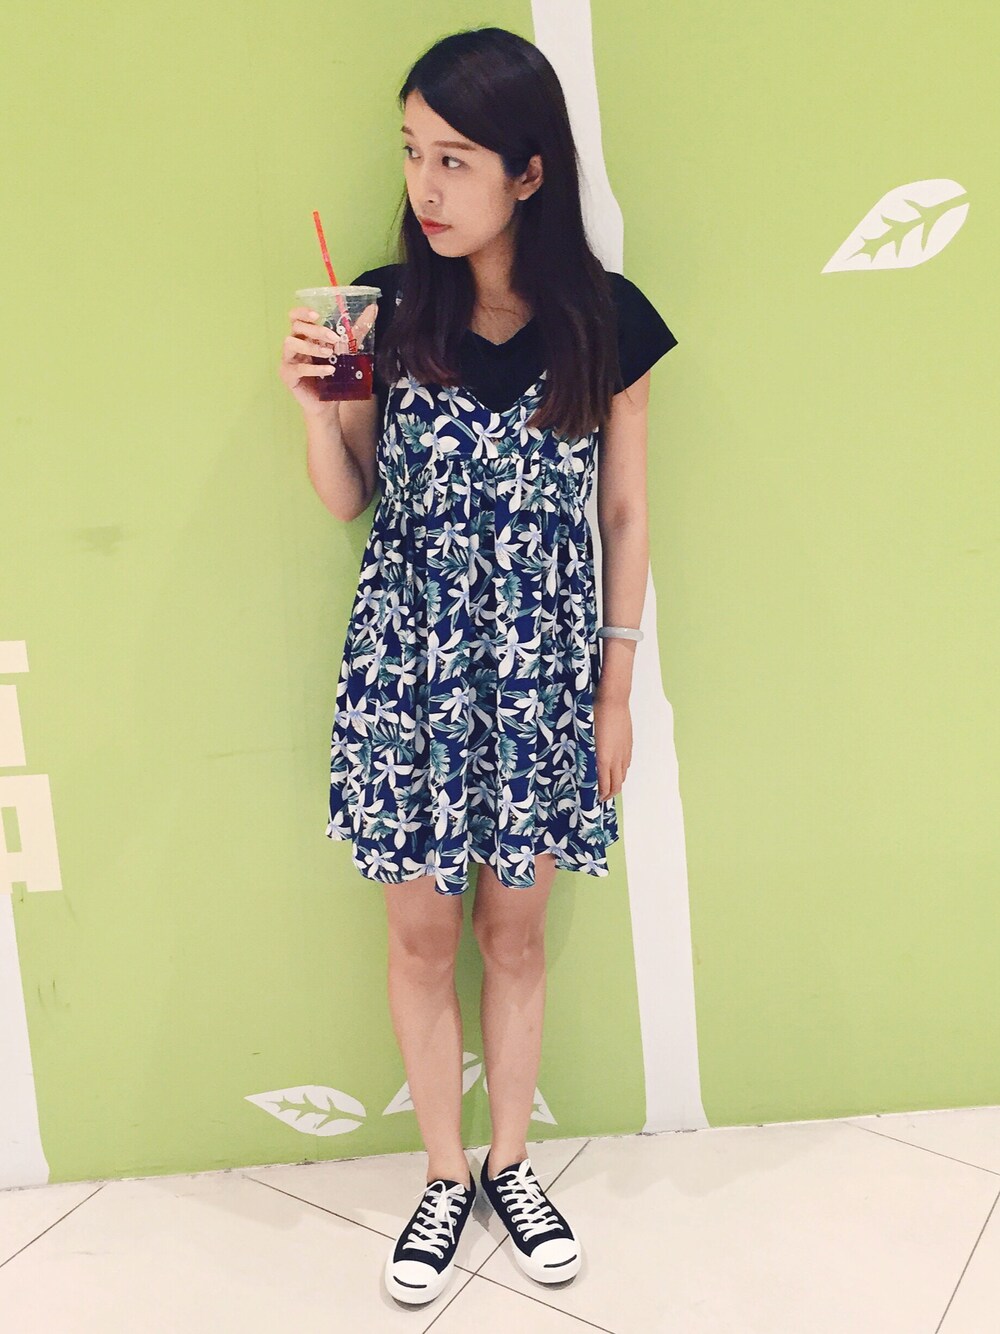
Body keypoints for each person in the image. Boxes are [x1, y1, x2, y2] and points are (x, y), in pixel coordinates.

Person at [279, 25, 677, 1308]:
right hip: (407, 675)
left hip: (542, 682)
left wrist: (613, 692)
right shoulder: (388, 312)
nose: (426, 186)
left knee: (513, 935)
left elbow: (625, 516)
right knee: (418, 937)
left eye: (455, 158)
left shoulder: (606, 320)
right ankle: (443, 1175)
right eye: (412, 153)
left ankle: (512, 1162)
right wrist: (315, 407)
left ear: (529, 170)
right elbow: (349, 495)